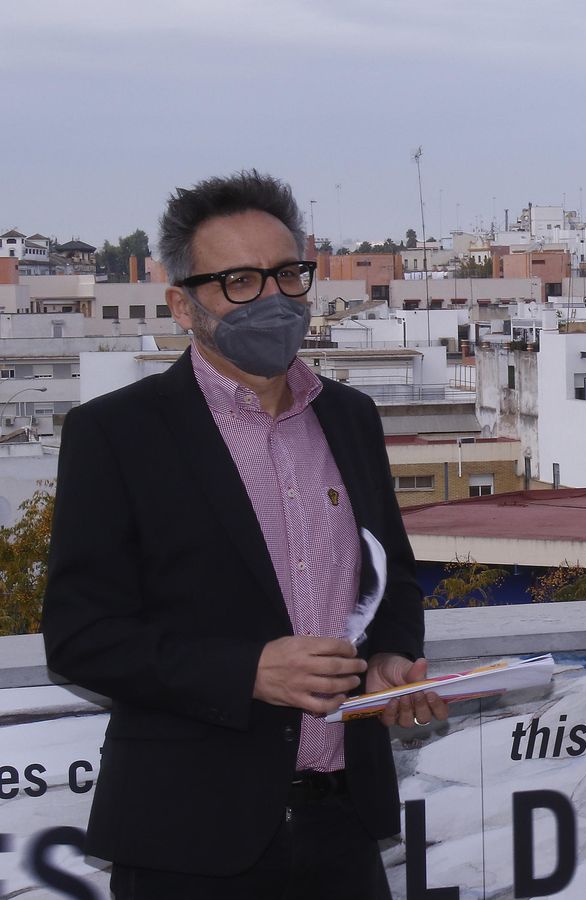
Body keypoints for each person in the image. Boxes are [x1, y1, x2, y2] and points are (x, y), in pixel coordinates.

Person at [43, 170, 446, 900]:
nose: (273, 298)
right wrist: (247, 672)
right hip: (189, 839)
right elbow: (81, 636)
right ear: (182, 304)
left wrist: (390, 657)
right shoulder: (116, 433)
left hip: (345, 824)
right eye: (239, 281)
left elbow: (391, 579)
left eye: (288, 274)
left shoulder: (350, 418)